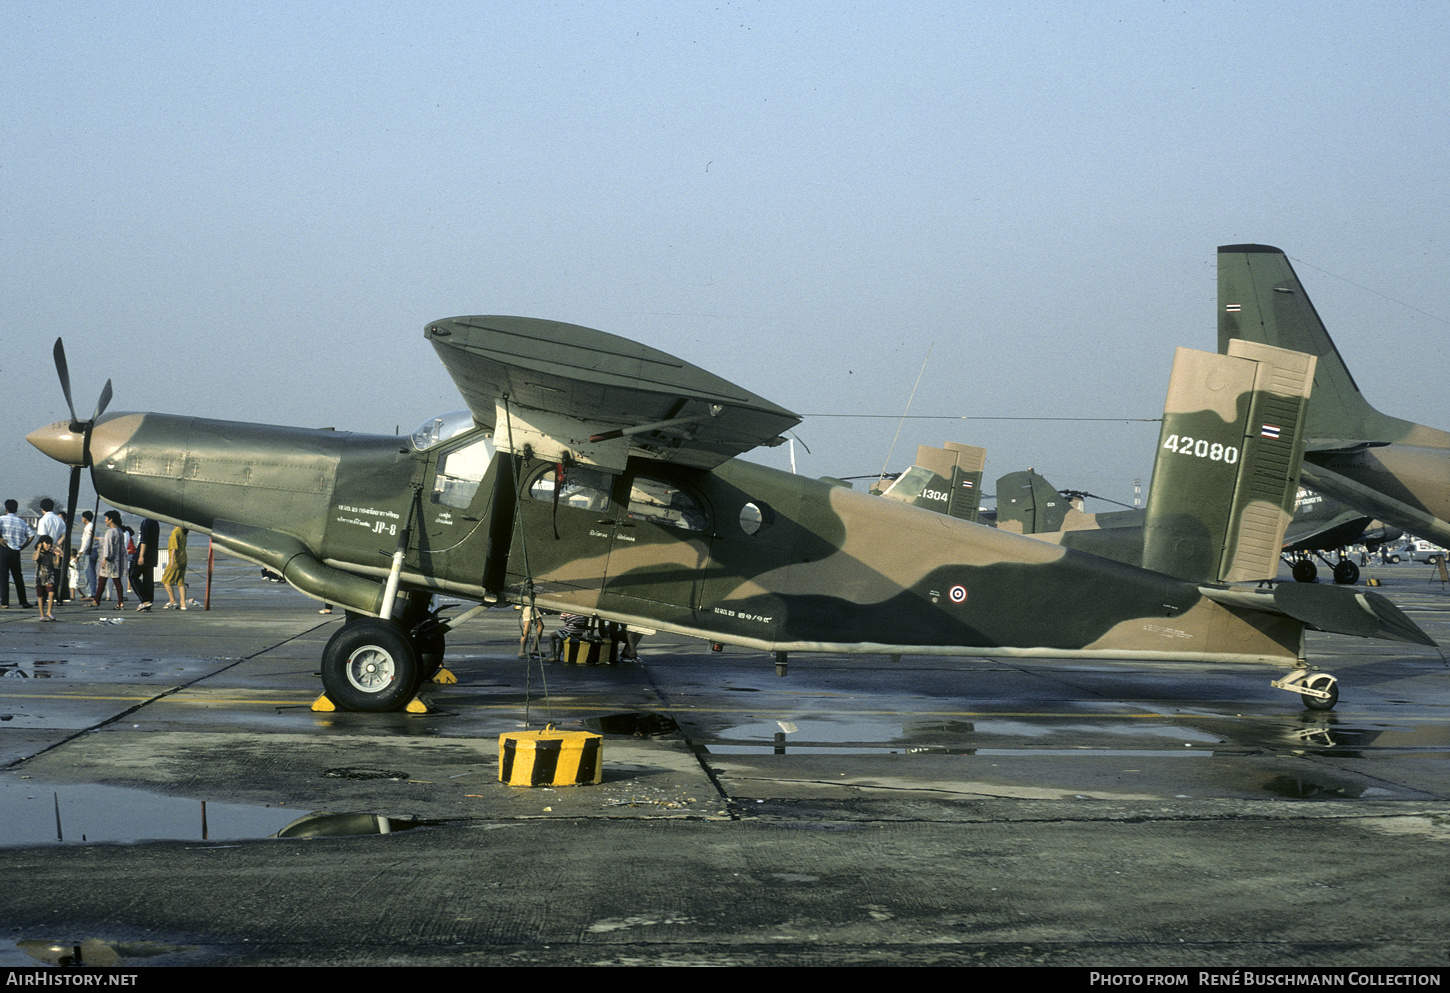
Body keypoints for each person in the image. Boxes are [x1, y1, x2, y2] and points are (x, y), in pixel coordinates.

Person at [0, 499, 36, 609]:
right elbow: (31, 536)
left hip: (4, 550)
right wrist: (22, 547)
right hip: (16, 551)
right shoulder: (21, 521)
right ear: (16, 509)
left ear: (6, 509)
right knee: (18, 577)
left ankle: (5, 602)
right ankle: (23, 601)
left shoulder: (1, 519)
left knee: (3, 577)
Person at [94, 511, 127, 609]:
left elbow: (108, 546)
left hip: (109, 560)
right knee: (116, 580)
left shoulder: (110, 531)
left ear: (111, 519)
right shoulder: (120, 531)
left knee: (102, 579)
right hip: (117, 559)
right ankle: (120, 602)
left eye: (106, 518)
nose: (105, 520)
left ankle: (97, 600)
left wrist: (105, 559)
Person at [33, 535, 61, 621]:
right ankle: (42, 614)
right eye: (46, 543)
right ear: (41, 544)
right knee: (41, 597)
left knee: (51, 594)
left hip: (50, 576)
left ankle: (49, 612)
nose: (48, 545)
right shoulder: (38, 553)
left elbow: (57, 565)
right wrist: (38, 549)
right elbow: (36, 559)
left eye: (50, 543)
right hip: (40, 577)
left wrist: (57, 556)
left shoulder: (51, 554)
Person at [133, 517, 159, 611]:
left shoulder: (146, 522)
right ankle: (148, 604)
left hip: (143, 554)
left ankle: (145, 600)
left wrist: (141, 555)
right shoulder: (155, 522)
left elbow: (143, 540)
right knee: (148, 579)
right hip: (152, 556)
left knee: (133, 576)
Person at [161, 527, 188, 610]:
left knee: (166, 580)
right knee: (180, 582)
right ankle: (183, 604)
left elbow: (174, 547)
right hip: (183, 559)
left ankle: (172, 600)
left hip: (176, 560)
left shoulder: (176, 532)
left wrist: (172, 559)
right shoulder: (184, 532)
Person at [76, 511, 96, 600]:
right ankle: (92, 592)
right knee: (92, 573)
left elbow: (87, 541)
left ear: (85, 518)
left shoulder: (89, 528)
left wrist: (79, 553)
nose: (81, 519)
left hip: (89, 551)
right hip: (93, 551)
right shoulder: (93, 526)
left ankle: (91, 594)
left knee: (89, 573)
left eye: (82, 517)